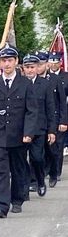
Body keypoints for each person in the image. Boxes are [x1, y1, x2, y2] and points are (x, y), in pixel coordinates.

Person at [0, 44, 38, 217]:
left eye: (10, 60)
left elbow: (32, 110)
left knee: (18, 169)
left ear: (16, 62)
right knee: (0, 171)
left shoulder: (25, 83)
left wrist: (28, 132)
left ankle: (17, 199)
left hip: (19, 135)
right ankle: (1, 204)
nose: (6, 64)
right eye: (3, 60)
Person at [21, 53, 56, 197]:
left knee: (37, 158)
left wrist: (51, 130)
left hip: (39, 128)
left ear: (37, 68)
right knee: (21, 160)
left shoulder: (45, 84)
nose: (29, 70)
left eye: (32, 67)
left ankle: (40, 181)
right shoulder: (19, 84)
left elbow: (50, 107)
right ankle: (25, 187)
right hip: (21, 128)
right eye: (27, 67)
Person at [44, 51, 68, 187]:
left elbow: (63, 102)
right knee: (47, 146)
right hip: (46, 117)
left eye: (55, 61)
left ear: (60, 62)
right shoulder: (45, 78)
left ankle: (56, 172)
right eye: (51, 61)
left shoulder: (65, 77)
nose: (53, 64)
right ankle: (46, 169)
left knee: (57, 147)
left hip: (59, 116)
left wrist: (64, 120)